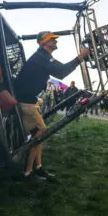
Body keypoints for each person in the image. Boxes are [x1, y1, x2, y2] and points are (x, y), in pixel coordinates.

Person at [14, 31, 90, 180]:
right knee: (41, 132)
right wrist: (81, 57)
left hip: (29, 100)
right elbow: (62, 72)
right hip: (26, 102)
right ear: (43, 43)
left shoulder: (44, 57)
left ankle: (38, 167)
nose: (55, 42)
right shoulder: (41, 57)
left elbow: (60, 70)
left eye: (55, 39)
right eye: (51, 40)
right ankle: (28, 172)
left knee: (40, 134)